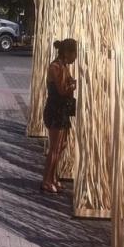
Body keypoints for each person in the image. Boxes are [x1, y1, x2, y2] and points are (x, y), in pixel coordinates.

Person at [41, 38, 78, 193]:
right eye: (74, 54)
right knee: (55, 148)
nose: (75, 58)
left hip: (61, 110)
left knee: (61, 146)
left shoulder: (64, 66)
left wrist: (71, 85)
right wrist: (72, 86)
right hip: (55, 110)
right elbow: (63, 90)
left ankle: (54, 176)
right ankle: (46, 180)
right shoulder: (56, 67)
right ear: (67, 53)